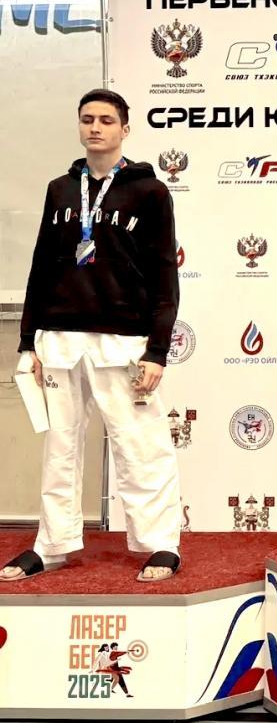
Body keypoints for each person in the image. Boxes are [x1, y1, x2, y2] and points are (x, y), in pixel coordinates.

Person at [3, 89, 182, 584]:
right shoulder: (61, 189)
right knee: (59, 446)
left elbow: (165, 274)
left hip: (122, 340)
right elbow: (41, 265)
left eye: (106, 120)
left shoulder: (150, 192)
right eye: (87, 119)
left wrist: (157, 350)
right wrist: (28, 341)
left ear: (125, 128)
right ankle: (52, 544)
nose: (95, 128)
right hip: (60, 336)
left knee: (139, 444)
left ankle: (160, 543)